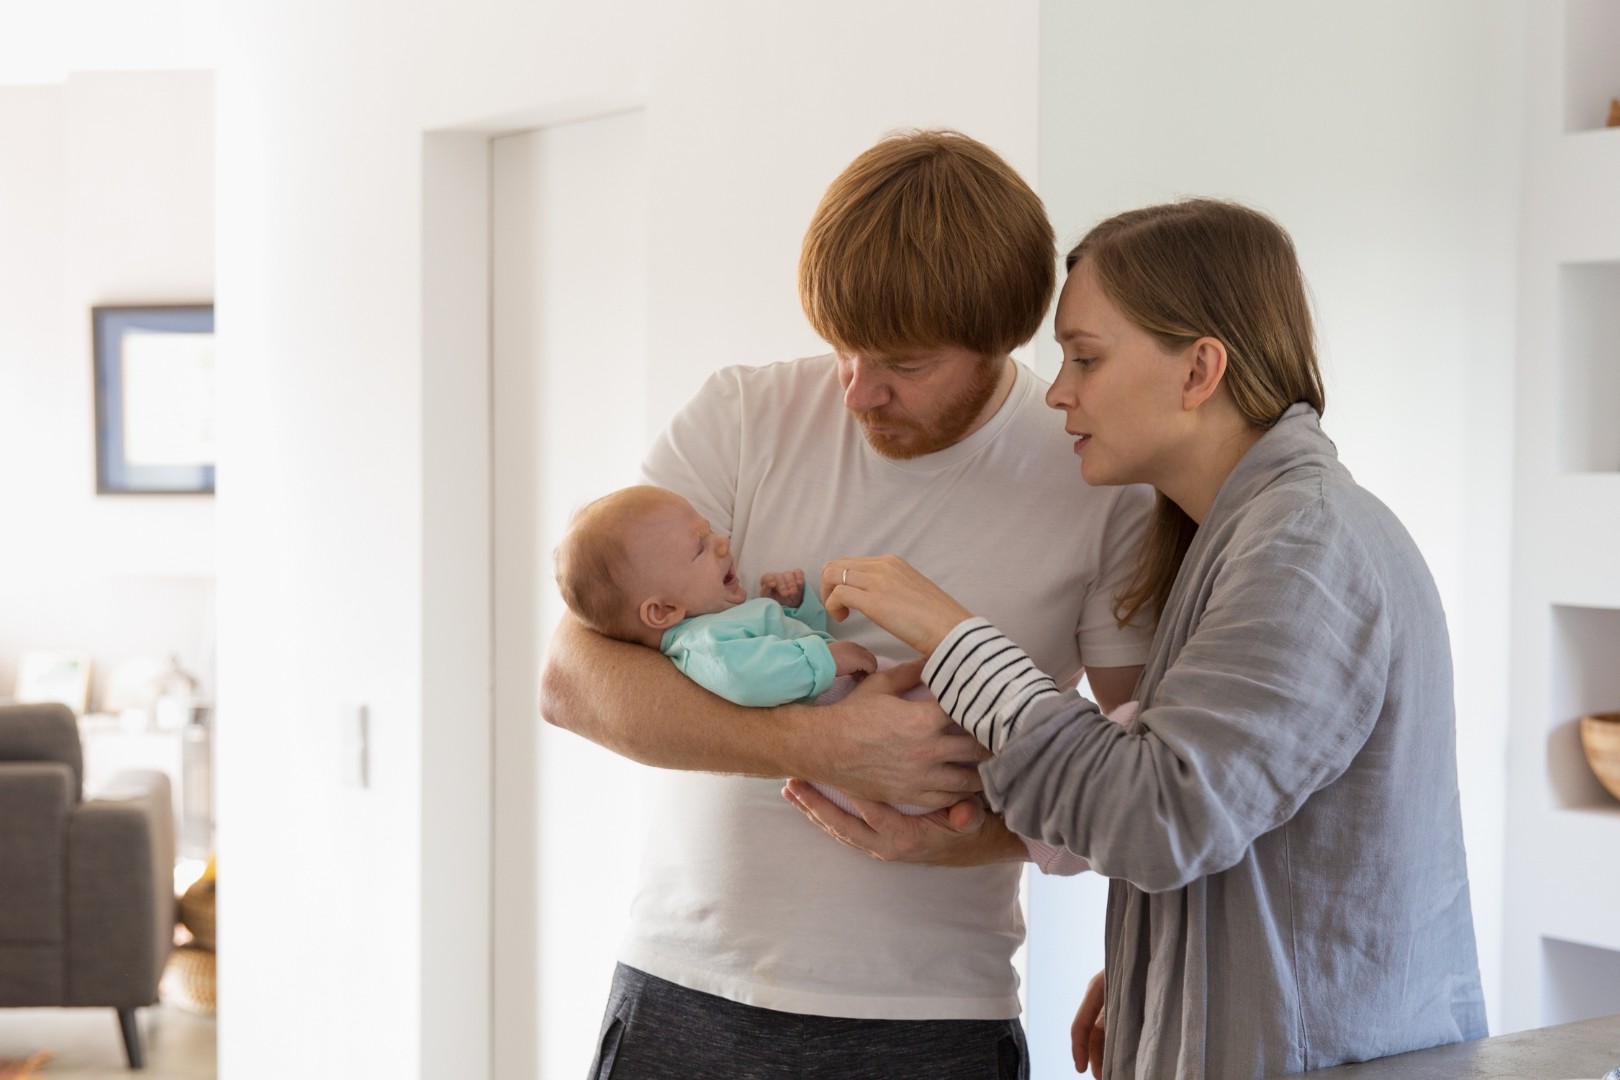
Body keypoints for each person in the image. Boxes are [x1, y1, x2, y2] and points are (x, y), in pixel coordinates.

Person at [789, 198, 1489, 1079]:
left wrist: (954, 635)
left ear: (1199, 370)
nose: (1057, 390)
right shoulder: (1243, 536)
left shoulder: (1306, 548)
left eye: (1085, 356)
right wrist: (1159, 963)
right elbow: (1220, 801)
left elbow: (1161, 814)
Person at [538, 129, 1156, 1079]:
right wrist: (813, 743)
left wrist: (983, 859)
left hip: (931, 1018)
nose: (859, 390)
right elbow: (573, 679)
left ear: (999, 339)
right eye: (842, 347)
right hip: (683, 991)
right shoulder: (742, 417)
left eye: (904, 364)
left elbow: (1139, 774)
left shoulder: (1095, 479)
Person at [553, 484, 878, 705]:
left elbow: (792, 645)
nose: (722, 542)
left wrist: (790, 609)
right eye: (700, 548)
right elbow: (752, 680)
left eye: (709, 530)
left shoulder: (716, 620)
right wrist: (828, 659)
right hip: (843, 715)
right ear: (663, 610)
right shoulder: (704, 645)